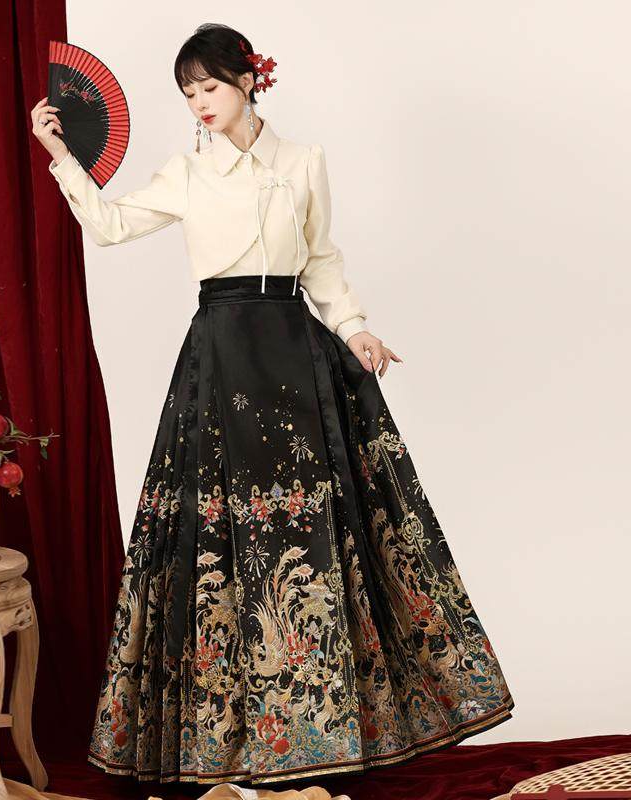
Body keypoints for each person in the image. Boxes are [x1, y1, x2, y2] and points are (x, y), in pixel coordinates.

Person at [31, 22, 514, 789]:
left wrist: (354, 328)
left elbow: (320, 258)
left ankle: (327, 731)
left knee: (312, 532)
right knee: (222, 539)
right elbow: (111, 225)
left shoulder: (302, 162)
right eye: (188, 92)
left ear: (249, 79)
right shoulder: (188, 172)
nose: (199, 102)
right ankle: (226, 744)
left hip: (294, 349)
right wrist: (61, 155)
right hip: (220, 355)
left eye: (210, 86)